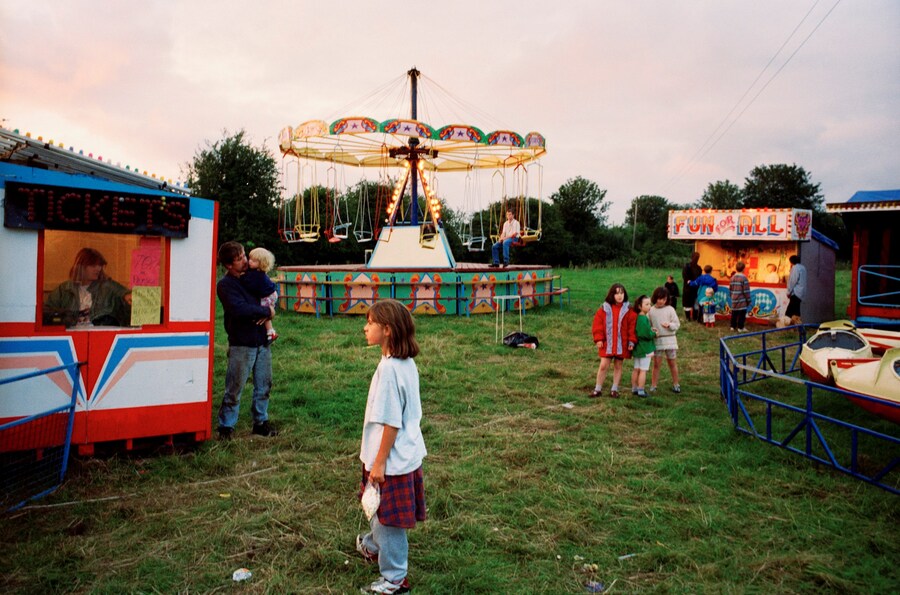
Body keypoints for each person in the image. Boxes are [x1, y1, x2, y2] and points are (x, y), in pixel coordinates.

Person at [356, 299, 426, 595]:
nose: (365, 328)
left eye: (370, 323)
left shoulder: (389, 370)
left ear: (387, 329)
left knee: (388, 519)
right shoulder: (404, 363)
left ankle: (395, 580)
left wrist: (379, 462)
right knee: (376, 508)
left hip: (390, 460)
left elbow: (391, 422)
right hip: (404, 454)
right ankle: (373, 546)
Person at [215, 241, 277, 439]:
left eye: (244, 255)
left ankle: (261, 422)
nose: (244, 260)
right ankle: (226, 427)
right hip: (242, 342)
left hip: (262, 340)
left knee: (264, 385)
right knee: (234, 387)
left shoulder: (254, 275)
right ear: (229, 265)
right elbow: (239, 309)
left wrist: (270, 307)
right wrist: (267, 312)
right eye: (239, 258)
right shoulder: (225, 285)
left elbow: (270, 291)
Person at [44, 247, 132, 327]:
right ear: (81, 266)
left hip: (100, 335)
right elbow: (46, 313)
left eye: (100, 265)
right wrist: (63, 318)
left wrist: (128, 298)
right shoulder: (64, 290)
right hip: (70, 335)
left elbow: (125, 295)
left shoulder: (108, 287)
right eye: (93, 265)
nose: (98, 269)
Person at [590, 283, 637, 399]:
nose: (619, 296)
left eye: (622, 293)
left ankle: (614, 389)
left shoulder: (629, 310)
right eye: (616, 293)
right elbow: (597, 325)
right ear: (612, 295)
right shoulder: (604, 309)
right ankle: (597, 389)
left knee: (618, 366)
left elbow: (632, 327)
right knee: (603, 365)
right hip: (607, 344)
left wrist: (631, 341)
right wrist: (598, 339)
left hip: (622, 344)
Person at [648, 286, 681, 393]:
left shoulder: (670, 309)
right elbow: (648, 325)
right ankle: (653, 385)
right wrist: (652, 330)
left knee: (672, 363)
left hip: (670, 341)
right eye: (659, 298)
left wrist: (669, 325)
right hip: (658, 341)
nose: (661, 301)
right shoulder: (651, 311)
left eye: (664, 299)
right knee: (656, 364)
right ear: (655, 298)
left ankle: (676, 384)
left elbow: (677, 324)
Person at [243, 247, 279, 344]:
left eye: (254, 261)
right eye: (250, 258)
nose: (250, 262)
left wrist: (242, 278)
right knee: (265, 311)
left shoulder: (258, 275)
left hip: (268, 295)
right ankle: (270, 332)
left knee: (264, 312)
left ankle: (271, 332)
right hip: (271, 293)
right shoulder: (257, 272)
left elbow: (249, 284)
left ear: (261, 263)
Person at [630, 295, 656, 398]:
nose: (650, 306)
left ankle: (634, 388)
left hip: (637, 348)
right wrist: (654, 333)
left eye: (650, 304)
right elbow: (646, 334)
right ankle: (641, 390)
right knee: (643, 370)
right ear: (639, 306)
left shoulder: (637, 317)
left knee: (636, 369)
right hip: (645, 348)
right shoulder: (643, 318)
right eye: (647, 304)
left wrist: (650, 330)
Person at [729, 261, 752, 333]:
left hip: (734, 298)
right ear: (744, 269)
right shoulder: (744, 278)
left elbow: (730, 288)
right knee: (742, 314)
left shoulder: (732, 277)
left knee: (734, 313)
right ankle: (740, 327)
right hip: (742, 299)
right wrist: (748, 300)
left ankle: (732, 326)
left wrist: (731, 296)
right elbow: (746, 290)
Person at [785, 254, 807, 325]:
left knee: (789, 311)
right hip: (801, 292)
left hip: (795, 292)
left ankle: (786, 324)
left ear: (791, 261)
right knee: (796, 310)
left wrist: (788, 292)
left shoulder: (795, 268)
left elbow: (793, 281)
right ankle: (798, 325)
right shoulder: (803, 268)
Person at [681, 251, 702, 322]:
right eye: (696, 257)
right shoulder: (688, 267)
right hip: (690, 287)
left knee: (693, 302)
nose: (696, 259)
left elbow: (698, 277)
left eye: (697, 257)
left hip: (693, 287)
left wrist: (693, 282)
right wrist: (693, 283)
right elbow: (686, 277)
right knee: (690, 302)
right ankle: (690, 318)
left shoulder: (697, 268)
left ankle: (692, 317)